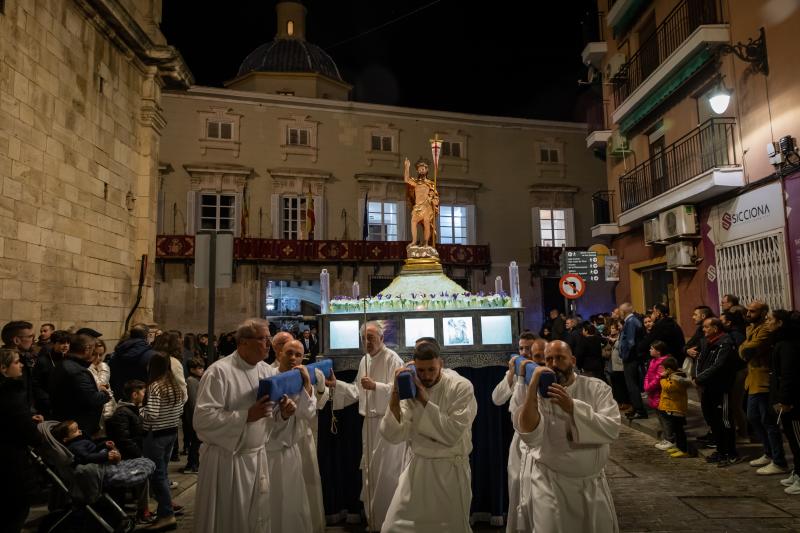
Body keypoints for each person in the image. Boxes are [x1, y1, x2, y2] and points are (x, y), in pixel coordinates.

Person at [193, 318, 298, 533]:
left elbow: (270, 416)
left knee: (257, 520)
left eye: (268, 339)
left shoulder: (266, 372)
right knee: (231, 521)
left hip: (258, 457)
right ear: (243, 343)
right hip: (228, 461)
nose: (268, 344)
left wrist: (283, 414)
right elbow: (202, 420)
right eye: (262, 339)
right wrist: (245, 416)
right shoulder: (219, 372)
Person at [515, 340, 621, 532]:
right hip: (551, 485)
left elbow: (612, 428)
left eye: (560, 358)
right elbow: (530, 436)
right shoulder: (540, 395)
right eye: (549, 359)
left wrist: (572, 407)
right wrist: (532, 388)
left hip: (591, 484)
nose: (554, 364)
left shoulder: (597, 388)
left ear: (572, 360)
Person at [380, 340, 477, 532]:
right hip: (418, 469)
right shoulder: (411, 386)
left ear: (441, 363)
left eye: (431, 369)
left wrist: (424, 399)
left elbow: (451, 433)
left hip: (449, 471)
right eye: (421, 371)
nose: (426, 376)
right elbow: (395, 434)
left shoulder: (461, 387)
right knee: (392, 527)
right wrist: (394, 394)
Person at [329, 321, 407, 532]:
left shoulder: (392, 359)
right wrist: (337, 385)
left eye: (371, 337)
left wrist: (377, 387)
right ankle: (374, 522)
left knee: (387, 475)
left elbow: (400, 391)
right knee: (370, 474)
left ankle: (389, 524)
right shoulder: (364, 360)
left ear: (381, 338)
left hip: (387, 424)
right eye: (363, 338)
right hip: (368, 425)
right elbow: (356, 391)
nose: (367, 342)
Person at [490, 332, 540, 533]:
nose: (524, 352)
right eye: (521, 348)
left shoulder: (543, 372)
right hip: (519, 441)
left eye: (529, 348)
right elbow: (497, 398)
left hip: (540, 441)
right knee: (517, 485)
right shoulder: (515, 372)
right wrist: (511, 375)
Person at [267, 340, 316, 532]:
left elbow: (307, 413)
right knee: (273, 503)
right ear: (279, 354)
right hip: (269, 450)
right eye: (289, 353)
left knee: (293, 504)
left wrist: (307, 384)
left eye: (298, 355)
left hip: (291, 449)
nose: (293, 358)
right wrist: (283, 415)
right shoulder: (268, 376)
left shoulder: (298, 379)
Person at [141, 352, 187, 531]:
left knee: (157, 476)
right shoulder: (174, 384)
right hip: (171, 434)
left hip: (156, 436)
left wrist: (138, 409)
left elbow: (151, 414)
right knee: (163, 474)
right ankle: (165, 510)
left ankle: (166, 514)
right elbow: (180, 409)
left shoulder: (155, 386)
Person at [0, 348, 44, 533]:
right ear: (3, 368)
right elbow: (25, 431)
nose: (22, 365)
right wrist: (34, 432)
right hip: (9, 460)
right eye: (17, 362)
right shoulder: (10, 393)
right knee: (15, 511)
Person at [741, 301, 787, 475]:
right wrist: (744, 348)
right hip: (752, 380)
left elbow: (750, 349)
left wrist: (744, 348)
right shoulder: (751, 328)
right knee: (753, 417)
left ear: (762, 313)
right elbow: (744, 350)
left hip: (763, 381)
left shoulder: (765, 329)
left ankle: (778, 459)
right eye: (748, 311)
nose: (748, 314)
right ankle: (768, 452)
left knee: (768, 420)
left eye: (753, 311)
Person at [695, 317, 740, 467]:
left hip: (721, 387)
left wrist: (699, 378)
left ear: (715, 328)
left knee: (724, 420)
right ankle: (720, 450)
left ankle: (731, 453)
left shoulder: (725, 343)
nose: (703, 329)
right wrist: (698, 378)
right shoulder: (706, 343)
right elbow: (700, 361)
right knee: (712, 419)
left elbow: (718, 366)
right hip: (707, 387)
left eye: (707, 327)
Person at [50, 334, 111, 436]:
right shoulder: (78, 371)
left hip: (65, 417)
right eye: (92, 350)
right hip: (78, 424)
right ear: (87, 349)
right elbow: (93, 399)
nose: (93, 354)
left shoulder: (63, 363)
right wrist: (104, 392)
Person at [766, 310, 800, 493]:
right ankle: (797, 472)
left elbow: (788, 375)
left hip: (793, 403)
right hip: (786, 400)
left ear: (780, 323)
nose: (767, 323)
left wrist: (785, 400)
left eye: (770, 320)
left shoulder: (787, 345)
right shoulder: (780, 343)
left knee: (797, 440)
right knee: (793, 439)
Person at [109, 324, 157, 399]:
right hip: (141, 396)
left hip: (120, 395)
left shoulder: (117, 352)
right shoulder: (151, 355)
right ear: (147, 336)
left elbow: (112, 373)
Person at [657, 357, 691, 458]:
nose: (661, 371)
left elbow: (668, 387)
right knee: (676, 429)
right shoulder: (671, 376)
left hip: (676, 408)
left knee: (679, 430)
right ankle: (678, 447)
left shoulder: (676, 379)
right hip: (672, 407)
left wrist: (662, 378)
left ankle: (683, 449)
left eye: (662, 369)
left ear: (668, 370)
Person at [403, 157, 440, 247]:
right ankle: (414, 241)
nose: (421, 171)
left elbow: (435, 196)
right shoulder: (415, 182)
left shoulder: (430, 183)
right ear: (418, 171)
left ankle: (426, 243)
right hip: (417, 206)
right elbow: (406, 179)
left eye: (423, 169)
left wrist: (434, 200)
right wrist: (407, 167)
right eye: (420, 169)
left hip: (427, 206)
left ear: (426, 171)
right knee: (413, 221)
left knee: (427, 223)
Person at [619, 303, 647, 419]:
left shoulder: (630, 322)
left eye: (620, 311)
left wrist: (625, 356)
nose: (619, 313)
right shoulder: (633, 320)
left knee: (632, 385)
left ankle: (640, 410)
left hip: (631, 359)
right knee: (632, 384)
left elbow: (630, 342)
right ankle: (636, 408)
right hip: (634, 358)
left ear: (623, 312)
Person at [644, 341, 672, 451]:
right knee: (660, 416)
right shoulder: (653, 361)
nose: (650, 350)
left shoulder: (663, 362)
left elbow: (658, 378)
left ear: (658, 351)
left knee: (665, 417)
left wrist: (649, 387)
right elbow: (648, 375)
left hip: (660, 393)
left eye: (652, 349)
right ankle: (666, 437)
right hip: (653, 392)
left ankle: (670, 439)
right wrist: (646, 386)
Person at [182, 359, 204, 474]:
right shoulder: (191, 381)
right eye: (199, 368)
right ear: (192, 370)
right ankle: (192, 465)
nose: (202, 370)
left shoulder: (195, 380)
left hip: (194, 417)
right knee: (195, 442)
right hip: (192, 417)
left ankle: (192, 464)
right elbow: (193, 402)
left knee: (196, 442)